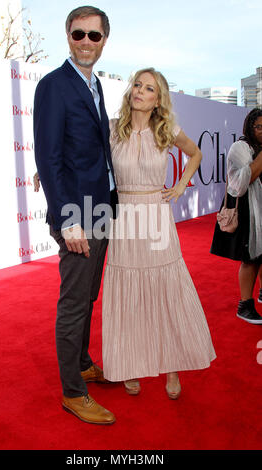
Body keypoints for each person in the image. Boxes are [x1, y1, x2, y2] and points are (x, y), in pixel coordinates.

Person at [101, 68, 216, 398]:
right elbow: (82, 158)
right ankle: (130, 364)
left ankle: (173, 368)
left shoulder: (167, 130)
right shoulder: (112, 129)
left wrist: (181, 185)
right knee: (129, 293)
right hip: (124, 218)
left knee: (165, 291)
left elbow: (196, 153)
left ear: (157, 100)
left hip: (156, 217)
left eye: (148, 88)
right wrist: (46, 169)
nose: (139, 91)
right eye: (137, 84)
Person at [33, 6, 118, 425]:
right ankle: (73, 392)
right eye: (78, 34)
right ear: (68, 36)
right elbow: (48, 155)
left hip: (101, 207)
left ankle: (83, 362)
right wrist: (69, 220)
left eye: (94, 36)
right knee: (73, 303)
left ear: (104, 41)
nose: (86, 42)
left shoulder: (95, 84)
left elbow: (86, 150)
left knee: (87, 297)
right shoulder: (54, 85)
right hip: (77, 215)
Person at [211, 108, 262, 324]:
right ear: (249, 127)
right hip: (247, 210)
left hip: (260, 208)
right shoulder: (239, 147)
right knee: (250, 258)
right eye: (259, 127)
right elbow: (242, 183)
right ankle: (245, 305)